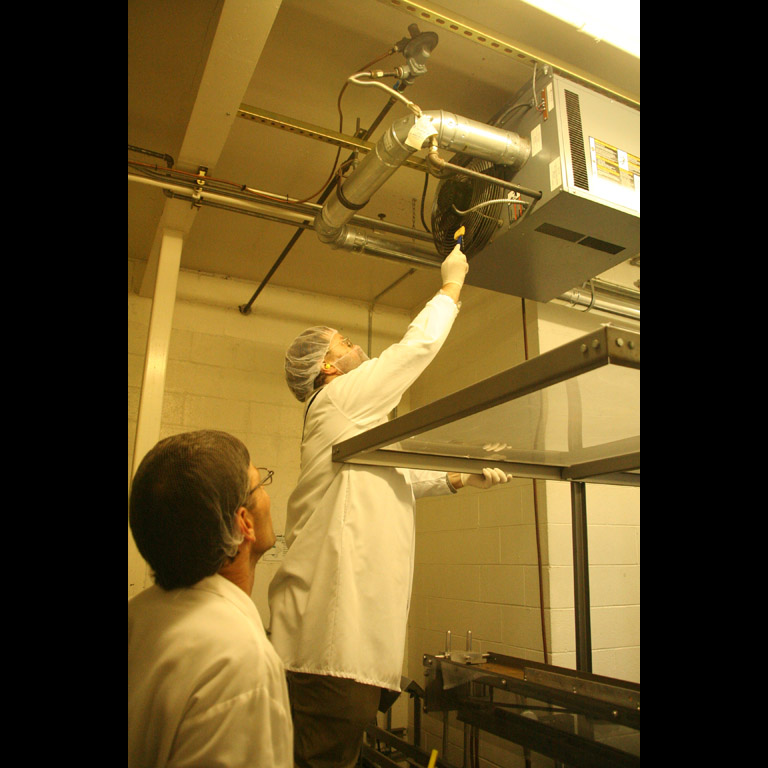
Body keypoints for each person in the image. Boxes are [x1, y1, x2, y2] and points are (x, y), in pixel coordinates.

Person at [269, 244, 512, 767]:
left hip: (337, 654)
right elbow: (413, 351)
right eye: (348, 343)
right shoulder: (338, 398)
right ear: (329, 368)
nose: (359, 349)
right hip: (326, 650)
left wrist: (459, 478)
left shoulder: (351, 425)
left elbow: (394, 479)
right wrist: (450, 287)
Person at [128, 430, 293, 768]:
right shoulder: (237, 661)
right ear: (243, 523)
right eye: (260, 485)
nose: (266, 497)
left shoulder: (138, 616)